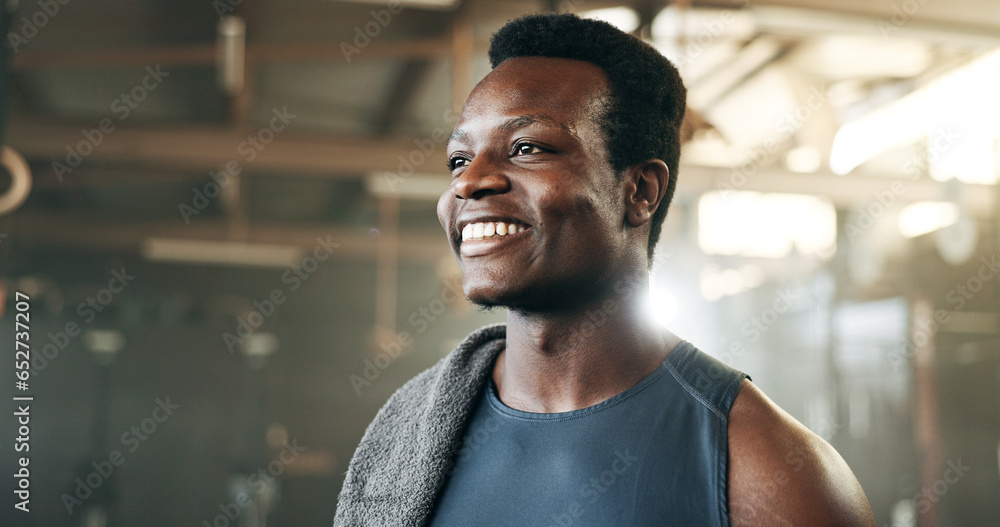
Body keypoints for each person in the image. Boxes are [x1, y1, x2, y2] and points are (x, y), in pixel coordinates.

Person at [334, 12, 875, 527]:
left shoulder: (773, 470)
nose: (468, 182)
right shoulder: (408, 433)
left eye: (527, 147)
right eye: (458, 159)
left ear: (638, 191)